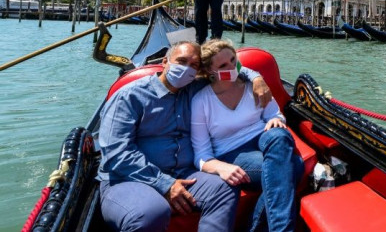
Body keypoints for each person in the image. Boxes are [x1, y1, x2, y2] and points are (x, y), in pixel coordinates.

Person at [98, 41, 271, 232]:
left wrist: (256, 78)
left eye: (194, 65)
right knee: (151, 212)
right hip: (128, 179)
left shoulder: (194, 88)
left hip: (183, 173)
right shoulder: (129, 97)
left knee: (225, 188)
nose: (186, 69)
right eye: (181, 61)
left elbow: (231, 69)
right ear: (165, 61)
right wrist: (164, 184)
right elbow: (117, 153)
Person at [192, 39, 303, 232]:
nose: (232, 67)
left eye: (233, 60)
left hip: (263, 137)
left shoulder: (255, 85)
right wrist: (220, 167)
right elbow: (201, 154)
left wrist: (277, 121)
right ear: (211, 71)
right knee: (294, 166)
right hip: (232, 151)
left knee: (279, 136)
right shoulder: (201, 101)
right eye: (223, 65)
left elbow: (274, 114)